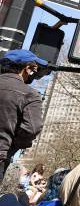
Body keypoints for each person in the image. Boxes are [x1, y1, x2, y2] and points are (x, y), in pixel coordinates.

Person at [0, 50, 46, 180]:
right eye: (34, 69)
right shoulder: (29, 94)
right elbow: (32, 128)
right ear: (27, 68)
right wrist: (13, 146)